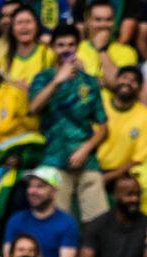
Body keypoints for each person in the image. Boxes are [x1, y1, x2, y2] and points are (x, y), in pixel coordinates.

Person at [29, 24, 110, 221]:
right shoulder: (43, 78)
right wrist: (57, 81)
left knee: (98, 223)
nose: (66, 49)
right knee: (57, 220)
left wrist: (86, 149)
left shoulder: (89, 82)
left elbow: (103, 127)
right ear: (52, 48)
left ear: (78, 46)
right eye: (61, 45)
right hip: (54, 160)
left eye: (71, 44)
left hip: (87, 161)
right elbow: (33, 109)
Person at [2, 167, 80, 257]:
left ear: (54, 191)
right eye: (30, 186)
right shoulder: (16, 220)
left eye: (40, 186)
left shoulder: (67, 223)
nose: (32, 191)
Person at [77, 175, 147, 257]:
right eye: (129, 194)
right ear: (115, 195)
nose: (135, 199)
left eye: (137, 194)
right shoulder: (98, 225)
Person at [98, 66, 147, 184]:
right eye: (124, 77)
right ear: (116, 81)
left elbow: (139, 158)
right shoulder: (99, 103)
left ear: (140, 89)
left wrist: (109, 177)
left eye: (134, 81)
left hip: (122, 175)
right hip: (90, 168)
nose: (128, 82)